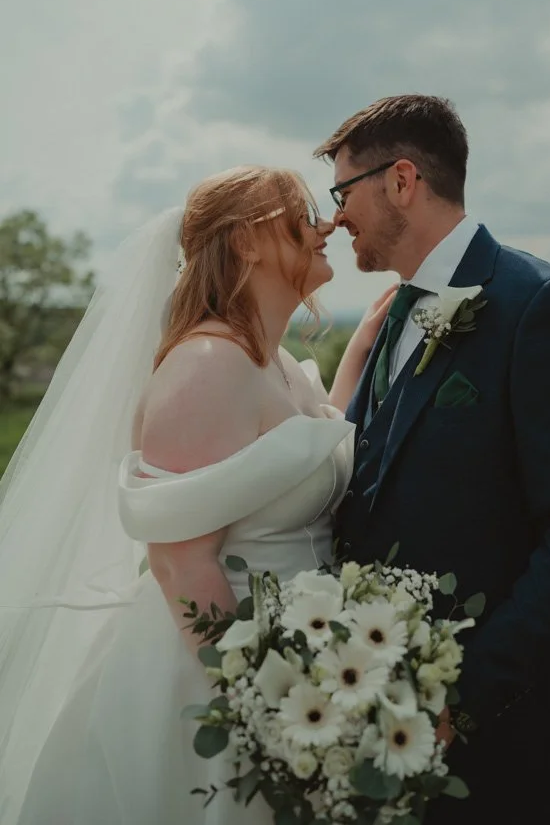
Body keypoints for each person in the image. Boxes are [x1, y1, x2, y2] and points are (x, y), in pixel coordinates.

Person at [0, 166, 392, 825]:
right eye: (301, 215)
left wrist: (356, 353)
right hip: (210, 677)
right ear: (244, 242)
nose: (325, 225)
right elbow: (179, 563)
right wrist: (266, 715)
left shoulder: (274, 363)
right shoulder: (205, 368)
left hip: (295, 659)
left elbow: (302, 454)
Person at [315, 94, 550, 825]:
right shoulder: (395, 311)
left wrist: (464, 693)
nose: (336, 218)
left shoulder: (540, 305)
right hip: (398, 708)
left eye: (343, 193)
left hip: (511, 721)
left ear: (402, 180)